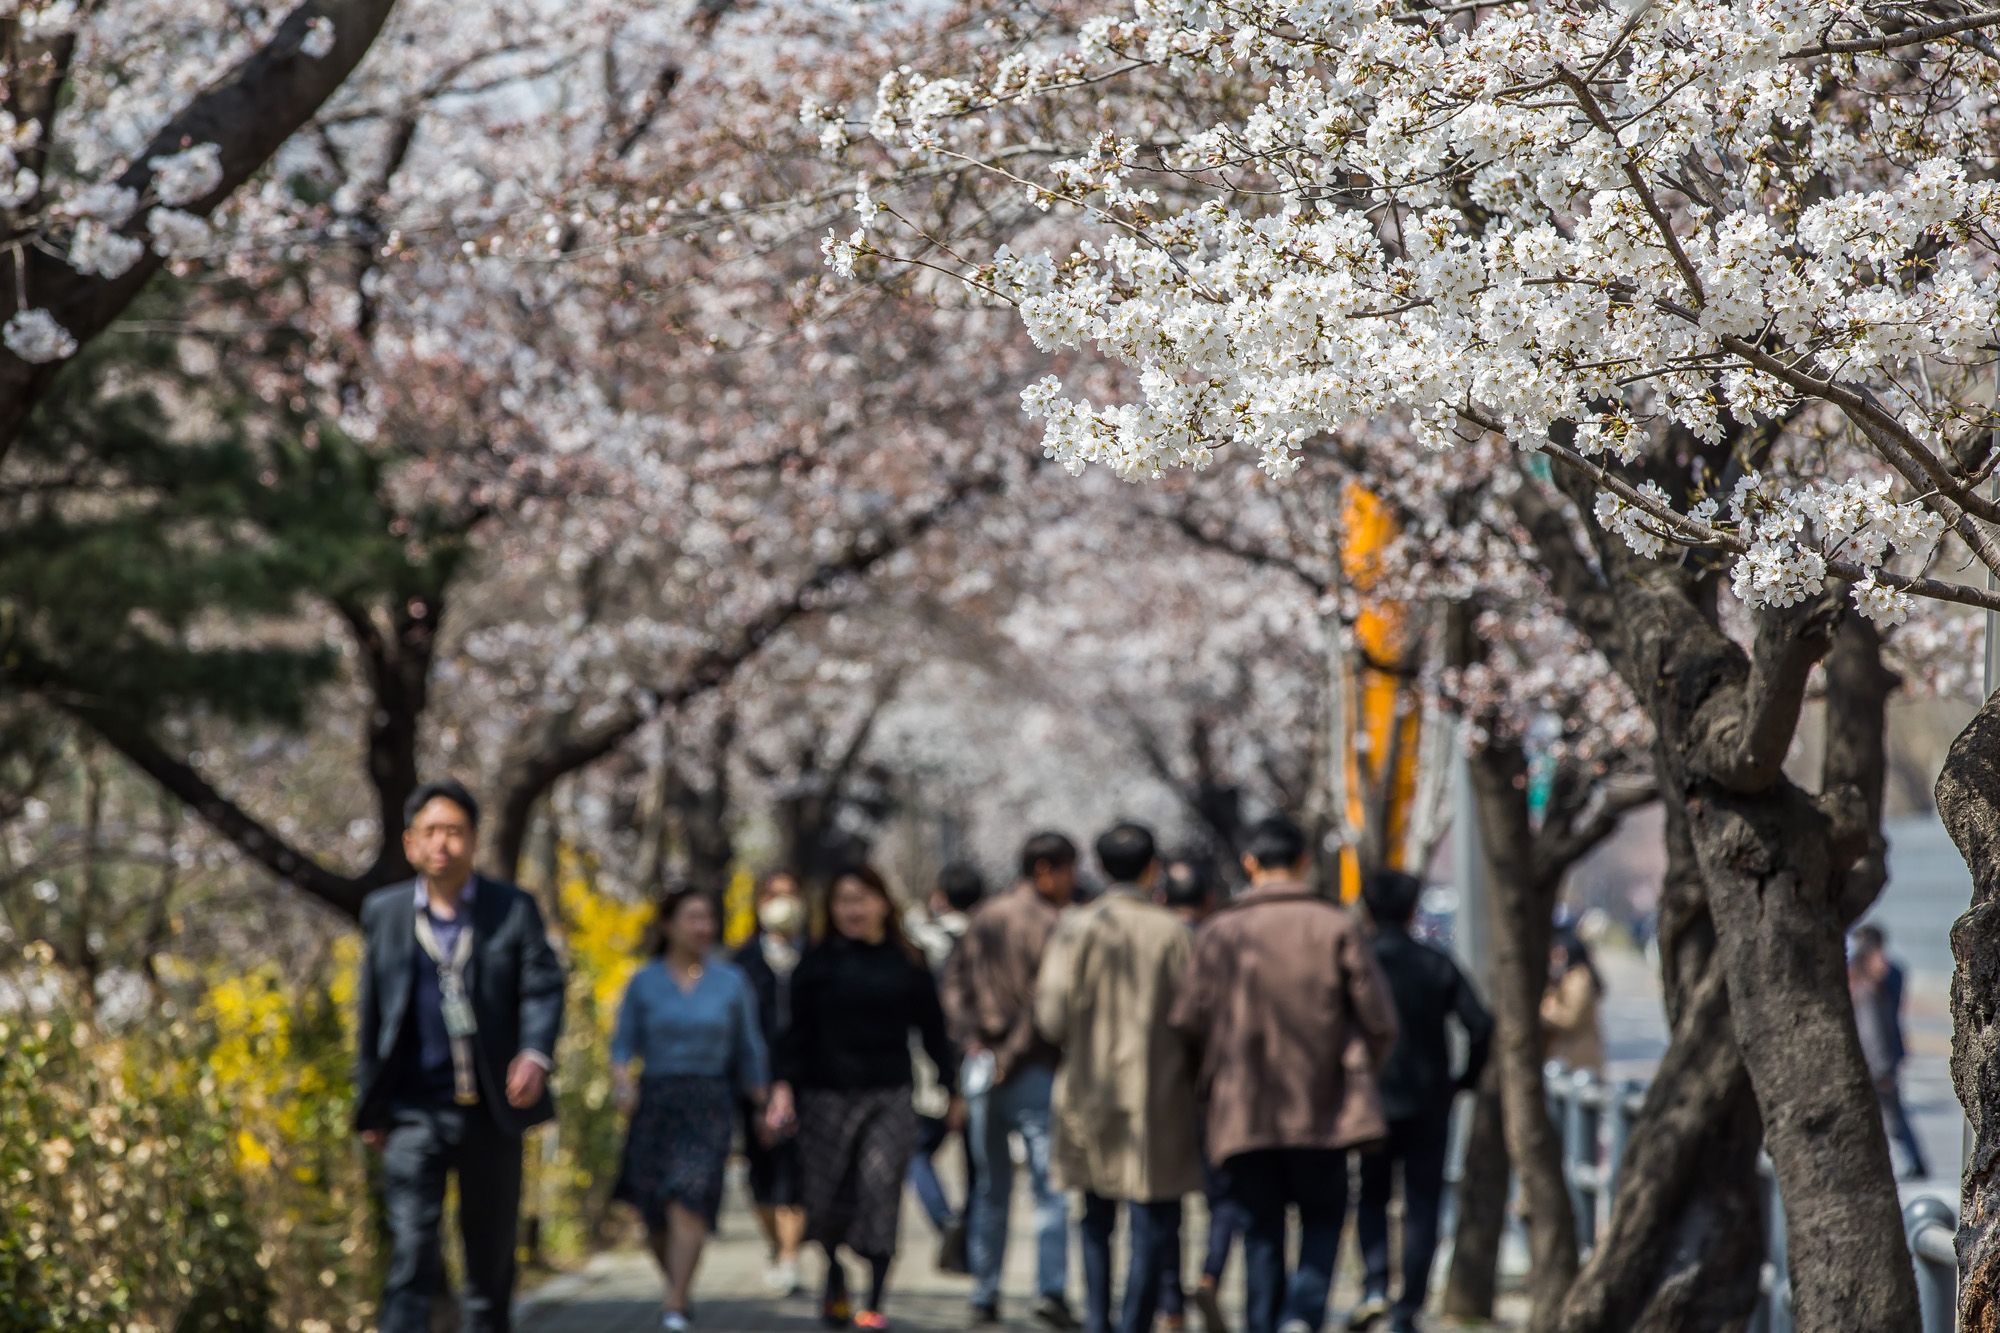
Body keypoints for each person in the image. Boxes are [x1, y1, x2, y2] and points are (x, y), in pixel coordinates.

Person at [1170, 815, 1399, 1333]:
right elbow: (1381, 1021)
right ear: (1301, 862)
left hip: (1241, 1110)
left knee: (1260, 1232)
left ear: (1250, 863)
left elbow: (1186, 1021)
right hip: (1324, 1106)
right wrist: (1358, 1073)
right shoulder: (1335, 925)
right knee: (1323, 1218)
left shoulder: (1218, 932)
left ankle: (1265, 1321)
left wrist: (1209, 1082)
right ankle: (1302, 1314)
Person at [354, 780, 565, 1333]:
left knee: (489, 1267)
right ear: (409, 843)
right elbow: (371, 1016)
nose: (442, 843)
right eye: (430, 831)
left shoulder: (512, 909)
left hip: (490, 1113)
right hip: (411, 1112)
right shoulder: (385, 912)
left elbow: (543, 987)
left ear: (474, 841)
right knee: (412, 1254)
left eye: (454, 831)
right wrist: (369, 1106)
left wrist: (535, 1055)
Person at [768, 865, 962, 1332]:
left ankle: (874, 1299)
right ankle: (834, 1273)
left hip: (889, 1094)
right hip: (824, 1095)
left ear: (882, 903)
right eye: (843, 901)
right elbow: (794, 1033)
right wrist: (782, 1086)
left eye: (862, 899)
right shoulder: (814, 963)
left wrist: (951, 1087)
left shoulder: (907, 962)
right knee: (828, 1197)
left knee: (880, 1192)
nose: (853, 910)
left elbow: (933, 1029)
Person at [1037, 822, 1202, 1333]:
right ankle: (1135, 1321)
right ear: (1153, 868)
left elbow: (1051, 1019)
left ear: (1100, 868)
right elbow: (1198, 1019)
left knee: (1095, 1216)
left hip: (1089, 1089)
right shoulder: (1175, 933)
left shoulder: (1075, 928)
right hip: (1161, 1092)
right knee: (1154, 1222)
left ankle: (1097, 1322)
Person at [610, 888, 770, 1332]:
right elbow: (622, 1044)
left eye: (708, 918)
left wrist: (761, 1100)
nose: (702, 927)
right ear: (668, 925)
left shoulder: (731, 981)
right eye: (692, 917)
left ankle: (675, 1304)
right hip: (655, 1099)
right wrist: (622, 1084)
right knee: (652, 1210)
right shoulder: (644, 981)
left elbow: (749, 1046)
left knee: (691, 1199)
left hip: (709, 1100)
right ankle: (677, 1285)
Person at [943, 832, 1079, 1329]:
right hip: (1034, 1070)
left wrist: (972, 1042)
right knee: (1049, 1187)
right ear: (1045, 870)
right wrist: (1012, 1052)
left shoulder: (983, 917)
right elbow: (1047, 1001)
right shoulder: (1053, 924)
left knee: (989, 1187)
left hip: (982, 1070)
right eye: (1067, 870)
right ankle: (1050, 1289)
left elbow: (953, 986)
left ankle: (985, 1290)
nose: (1072, 881)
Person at [1350, 871, 1494, 1333]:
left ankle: (1374, 1285)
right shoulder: (1435, 963)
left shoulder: (1356, 964)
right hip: (1431, 1100)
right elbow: (1481, 1023)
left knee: (1371, 1194)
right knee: (1423, 1202)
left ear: (1367, 911)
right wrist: (1464, 1080)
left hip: (1370, 1099)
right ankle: (1407, 1306)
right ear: (1413, 911)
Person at [1153, 855, 1238, 1333]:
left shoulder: (1153, 943)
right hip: (1218, 1092)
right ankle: (1209, 1276)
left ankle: (1170, 1307)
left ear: (1162, 898)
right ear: (1210, 900)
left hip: (1163, 1091)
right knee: (1224, 1198)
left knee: (1165, 1201)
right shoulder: (1225, 945)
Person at [906, 860, 987, 1273]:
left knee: (916, 1152)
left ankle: (946, 1221)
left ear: (941, 898)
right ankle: (971, 1244)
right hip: (982, 1067)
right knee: (978, 1164)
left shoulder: (921, 945)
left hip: (930, 1070)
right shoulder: (989, 941)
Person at [734, 869, 811, 1295]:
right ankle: (775, 1245)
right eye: (773, 895)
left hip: (808, 1085)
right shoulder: (741, 962)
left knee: (795, 1173)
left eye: (791, 894)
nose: (783, 904)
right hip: (753, 1086)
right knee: (760, 1175)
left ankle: (789, 1257)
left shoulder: (818, 958)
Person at [1851, 925, 1928, 1180]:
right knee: (1886, 1115)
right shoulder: (1883, 974)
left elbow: (1874, 1028)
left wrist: (1883, 1065)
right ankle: (1911, 1160)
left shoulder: (1873, 980)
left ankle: (1912, 1161)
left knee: (1890, 1116)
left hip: (1877, 1059)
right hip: (1881, 1056)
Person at [1541, 928, 1604, 1075]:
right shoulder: (1565, 976)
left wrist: (1548, 1010)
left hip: (1578, 1056)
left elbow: (1571, 1018)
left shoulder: (1578, 979)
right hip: (1571, 1054)